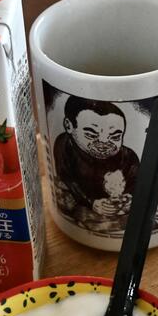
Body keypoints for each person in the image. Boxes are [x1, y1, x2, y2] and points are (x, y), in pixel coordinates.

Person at [52, 97, 140, 234]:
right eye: (91, 134)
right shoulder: (64, 145)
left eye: (115, 137)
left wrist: (127, 200)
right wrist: (92, 203)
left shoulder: (128, 157)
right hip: (82, 205)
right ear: (69, 126)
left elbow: (136, 185)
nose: (103, 142)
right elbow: (67, 180)